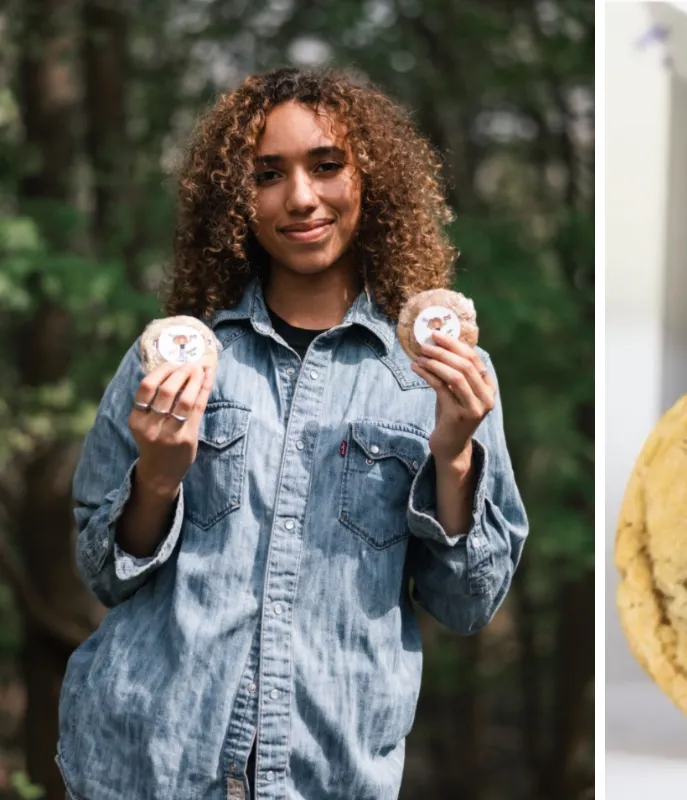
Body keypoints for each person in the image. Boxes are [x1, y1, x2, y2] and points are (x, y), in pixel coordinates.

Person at [56, 67, 528, 800]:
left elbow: (468, 603)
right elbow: (104, 575)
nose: (301, 197)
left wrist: (456, 452)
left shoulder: (439, 375)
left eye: (327, 165)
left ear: (371, 178)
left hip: (328, 776)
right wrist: (157, 476)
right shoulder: (174, 361)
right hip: (147, 764)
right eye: (268, 174)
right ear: (235, 199)